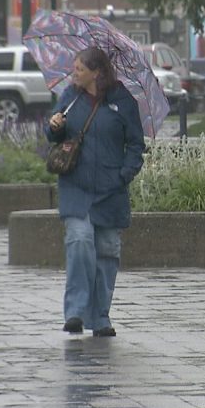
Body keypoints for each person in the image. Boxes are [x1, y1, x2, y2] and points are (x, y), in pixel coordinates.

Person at [44, 47, 144, 338]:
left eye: (79, 69)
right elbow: (54, 131)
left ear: (97, 72)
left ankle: (100, 315)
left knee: (107, 251)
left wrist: (123, 175)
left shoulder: (122, 100)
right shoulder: (70, 96)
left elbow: (136, 145)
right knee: (79, 240)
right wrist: (53, 127)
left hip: (110, 190)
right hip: (76, 186)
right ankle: (75, 311)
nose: (74, 73)